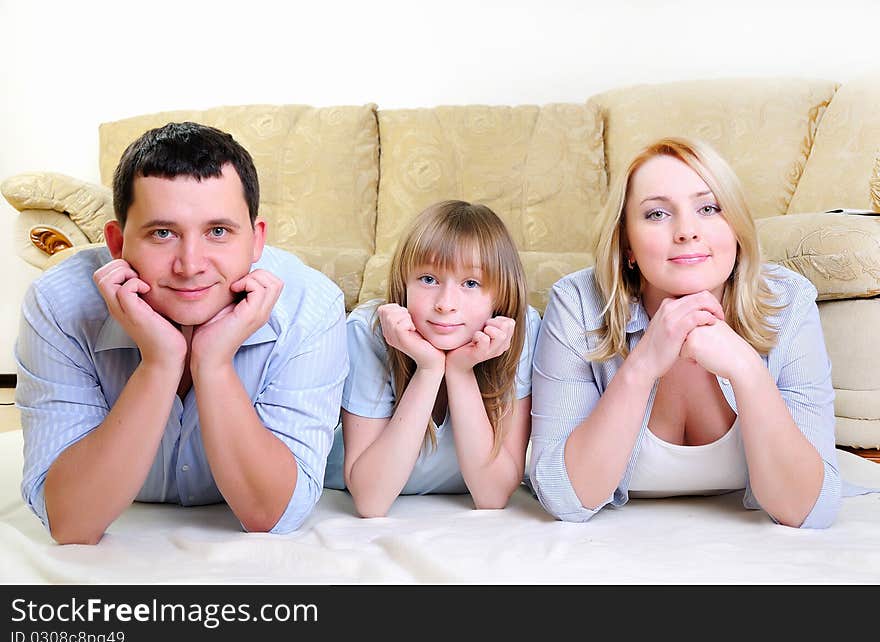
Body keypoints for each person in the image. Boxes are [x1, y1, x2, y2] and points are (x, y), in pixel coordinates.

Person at [15, 122, 349, 544]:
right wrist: (160, 364)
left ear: (256, 240)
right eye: (162, 233)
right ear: (117, 244)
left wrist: (213, 365)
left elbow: (272, 515)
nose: (191, 265)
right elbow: (72, 523)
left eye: (218, 232)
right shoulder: (59, 305)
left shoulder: (310, 308)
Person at [529, 136, 852, 529]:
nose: (686, 231)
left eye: (709, 208)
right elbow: (565, 497)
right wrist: (643, 364)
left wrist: (748, 371)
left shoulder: (788, 302)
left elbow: (808, 510)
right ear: (627, 244)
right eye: (657, 215)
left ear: (735, 228)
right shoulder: (577, 304)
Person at [323, 200, 541, 517]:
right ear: (404, 283)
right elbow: (371, 501)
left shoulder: (519, 330)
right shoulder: (370, 331)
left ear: (500, 295)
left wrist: (461, 372)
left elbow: (492, 496)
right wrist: (428, 369)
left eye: (471, 283)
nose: (445, 304)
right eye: (428, 279)